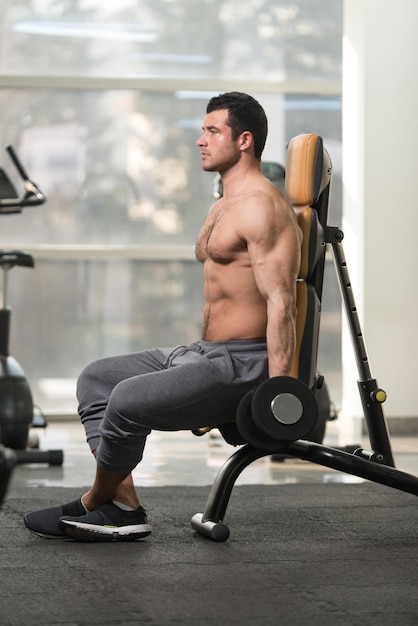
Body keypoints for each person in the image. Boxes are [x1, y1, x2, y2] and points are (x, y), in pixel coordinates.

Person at [24, 92, 302, 542]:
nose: (200, 140)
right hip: (204, 353)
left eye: (213, 131)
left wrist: (279, 391)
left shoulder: (262, 207)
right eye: (203, 129)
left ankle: (93, 502)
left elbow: (281, 303)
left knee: (128, 400)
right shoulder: (224, 202)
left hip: (241, 365)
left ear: (245, 140)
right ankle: (124, 505)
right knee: (97, 378)